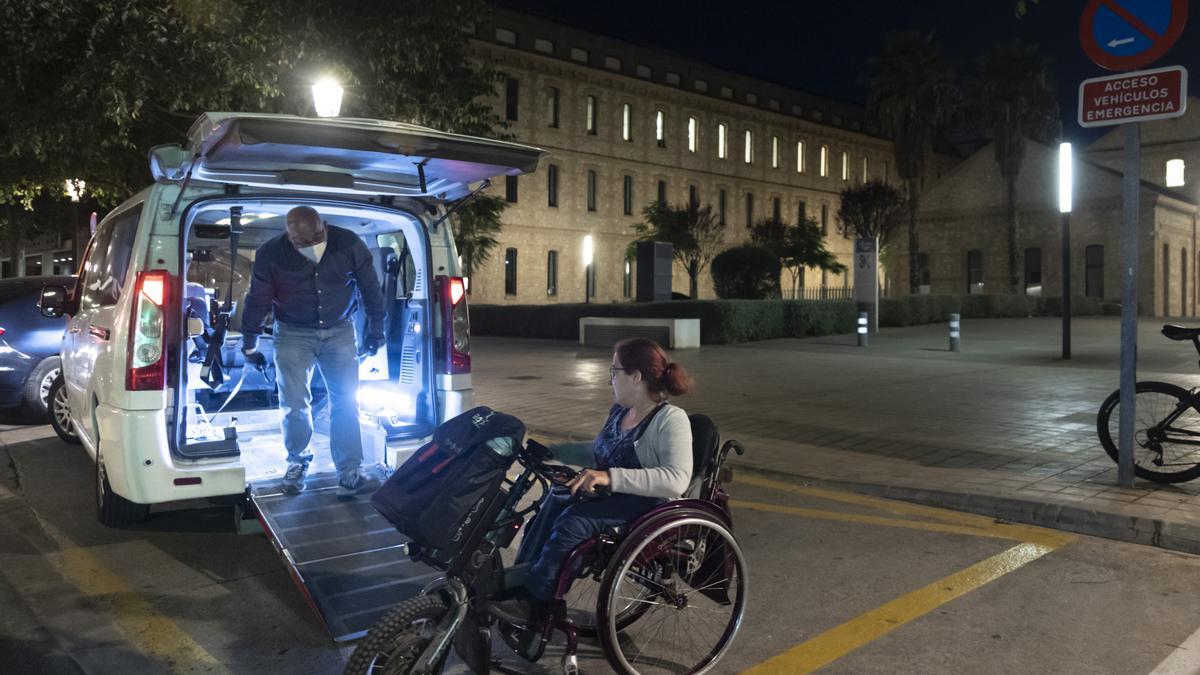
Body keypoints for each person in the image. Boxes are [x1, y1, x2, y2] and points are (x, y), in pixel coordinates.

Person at [490, 337, 694, 626]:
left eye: (614, 371)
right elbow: (600, 451)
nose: (609, 380)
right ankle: (520, 582)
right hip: (613, 494)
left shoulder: (671, 420)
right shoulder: (621, 412)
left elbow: (676, 480)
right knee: (555, 500)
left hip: (646, 504)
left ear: (636, 376)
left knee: (575, 522)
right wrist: (555, 452)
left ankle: (540, 601)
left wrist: (610, 477)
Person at [241, 205, 386, 498]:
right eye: (302, 242)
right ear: (289, 234)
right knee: (295, 404)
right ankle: (297, 463)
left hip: (341, 330)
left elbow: (371, 287)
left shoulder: (348, 243)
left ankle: (350, 471)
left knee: (346, 401)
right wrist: (250, 342)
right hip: (293, 332)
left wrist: (376, 330)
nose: (311, 245)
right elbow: (258, 299)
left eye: (317, 236)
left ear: (325, 225)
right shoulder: (271, 254)